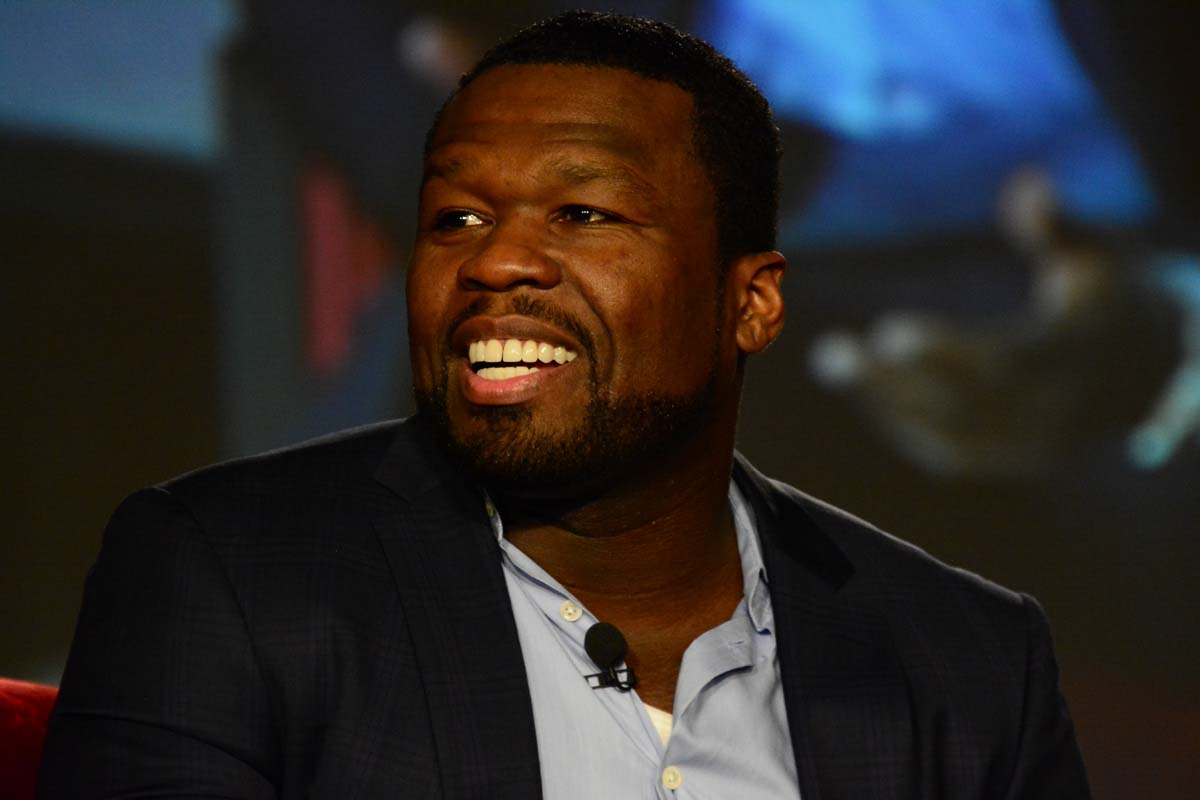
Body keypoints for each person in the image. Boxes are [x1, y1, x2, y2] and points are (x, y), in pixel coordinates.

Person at [39, 11, 1090, 799]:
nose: (495, 261)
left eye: (584, 213)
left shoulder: (972, 661)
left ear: (750, 303)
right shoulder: (225, 581)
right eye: (456, 219)